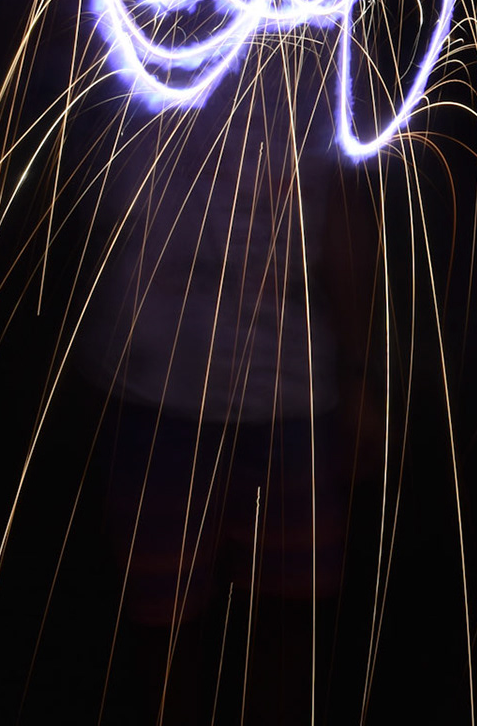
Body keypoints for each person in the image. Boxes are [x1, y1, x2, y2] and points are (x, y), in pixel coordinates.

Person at [78, 44, 374, 724]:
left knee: (289, 621)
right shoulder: (135, 28)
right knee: (165, 629)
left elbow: (343, 210)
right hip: (156, 391)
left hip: (289, 394)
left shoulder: (316, 51)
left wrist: (361, 376)